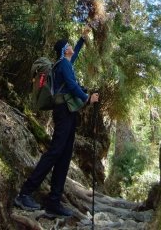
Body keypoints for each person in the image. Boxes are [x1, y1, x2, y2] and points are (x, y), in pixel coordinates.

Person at [15, 26, 99, 218]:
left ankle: (54, 202)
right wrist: (87, 98)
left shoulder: (66, 63)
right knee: (55, 152)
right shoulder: (63, 65)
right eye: (68, 46)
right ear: (63, 50)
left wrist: (82, 39)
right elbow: (71, 84)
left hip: (68, 113)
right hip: (63, 112)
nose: (71, 47)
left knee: (64, 156)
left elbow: (74, 54)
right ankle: (25, 193)